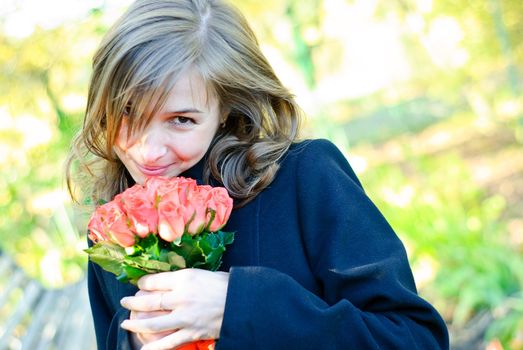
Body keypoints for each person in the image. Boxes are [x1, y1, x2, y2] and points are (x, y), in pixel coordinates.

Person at [66, 0, 449, 349]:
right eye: (128, 113)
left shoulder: (305, 178)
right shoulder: (112, 227)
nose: (147, 150)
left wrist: (238, 307)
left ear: (228, 108)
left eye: (181, 120)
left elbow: (413, 338)